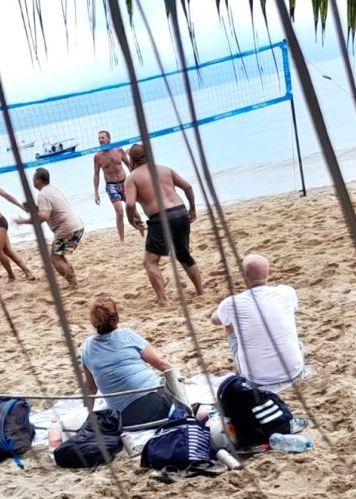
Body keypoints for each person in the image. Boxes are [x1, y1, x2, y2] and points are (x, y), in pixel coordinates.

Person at [211, 253, 307, 392]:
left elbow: (215, 321)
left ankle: (243, 368)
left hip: (256, 379)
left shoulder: (232, 303)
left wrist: (221, 313)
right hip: (294, 371)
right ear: (269, 272)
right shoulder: (287, 292)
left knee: (228, 325)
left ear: (244, 275)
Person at [125, 143, 204, 306]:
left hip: (161, 218)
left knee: (150, 262)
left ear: (131, 160)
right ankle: (200, 292)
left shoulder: (132, 178)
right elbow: (187, 186)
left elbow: (130, 204)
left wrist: (131, 220)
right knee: (183, 254)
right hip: (180, 212)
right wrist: (192, 209)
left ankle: (163, 300)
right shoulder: (164, 169)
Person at [81, 296, 173, 426]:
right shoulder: (126, 335)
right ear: (117, 318)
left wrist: (87, 412)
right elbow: (162, 364)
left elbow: (91, 388)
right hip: (156, 401)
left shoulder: (87, 348)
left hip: (125, 417)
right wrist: (181, 380)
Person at [14, 167, 84, 288]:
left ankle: (74, 284)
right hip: (78, 226)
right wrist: (33, 208)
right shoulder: (52, 189)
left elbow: (44, 217)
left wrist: (23, 221)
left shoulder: (42, 195)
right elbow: (49, 210)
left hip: (66, 228)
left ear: (38, 180)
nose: (33, 181)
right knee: (59, 256)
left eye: (34, 178)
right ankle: (74, 283)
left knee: (55, 258)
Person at [92, 130, 134, 243]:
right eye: (99, 138)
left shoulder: (118, 150)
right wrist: (96, 193)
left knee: (132, 208)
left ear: (109, 139)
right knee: (120, 212)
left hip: (125, 183)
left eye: (102, 138)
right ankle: (122, 240)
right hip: (111, 186)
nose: (100, 140)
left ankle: (140, 228)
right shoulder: (97, 157)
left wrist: (135, 179)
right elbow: (96, 175)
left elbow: (129, 165)